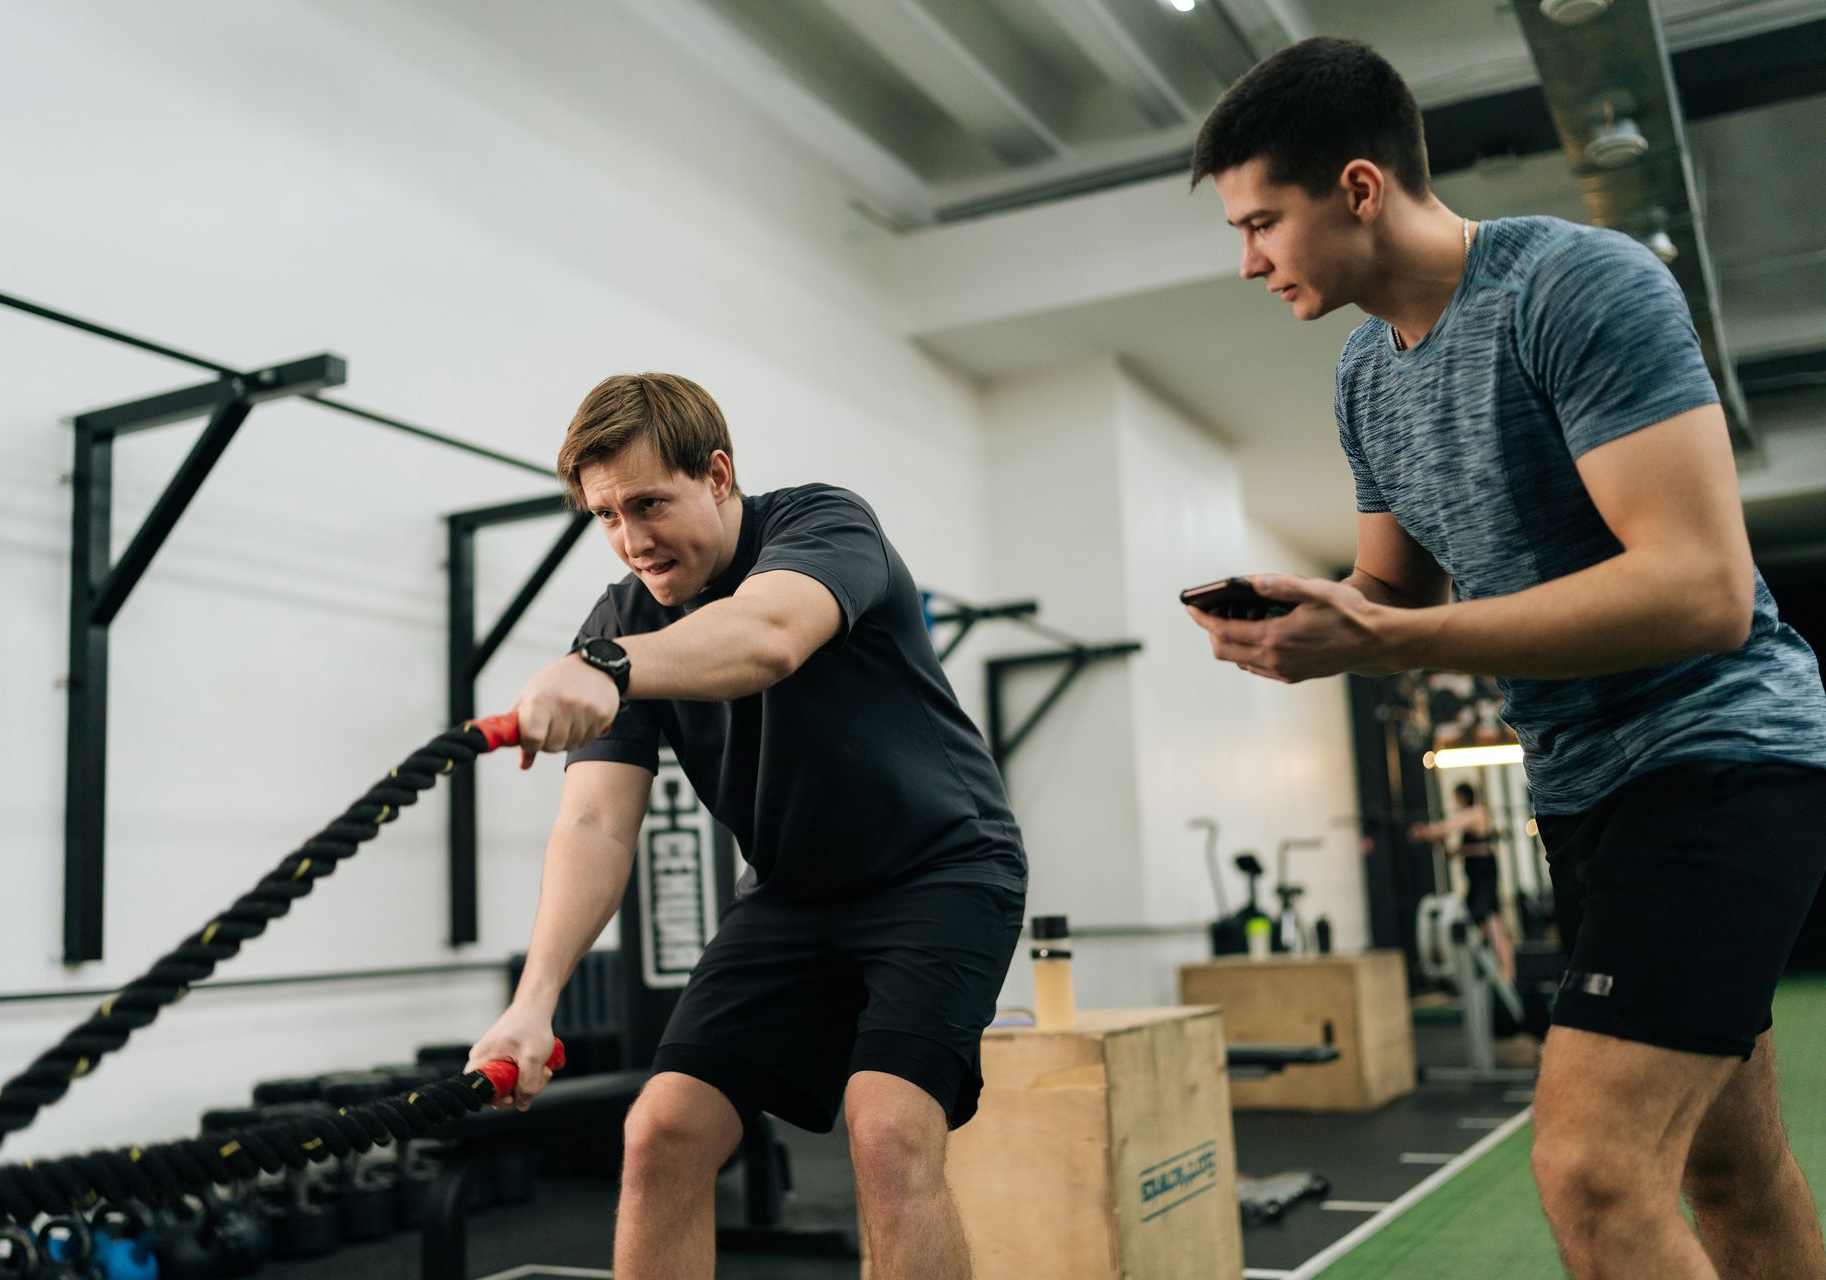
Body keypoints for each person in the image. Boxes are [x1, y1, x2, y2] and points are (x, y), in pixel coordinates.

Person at [1183, 36, 1826, 1280]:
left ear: (1359, 188)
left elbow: (1702, 591)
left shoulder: (1576, 286)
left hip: (1721, 754)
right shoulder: (1365, 373)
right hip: (1583, 788)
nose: (1250, 259)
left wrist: (1386, 634)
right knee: (1730, 1169)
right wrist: (1313, 619)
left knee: (1590, 1169)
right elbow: (1391, 589)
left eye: (1264, 222)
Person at [468, 372, 1027, 1279]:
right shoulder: (624, 621)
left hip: (940, 872)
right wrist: (534, 1005)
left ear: (718, 475)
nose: (631, 540)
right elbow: (598, 827)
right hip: (789, 896)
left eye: (649, 503)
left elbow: (766, 637)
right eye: (605, 516)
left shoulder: (822, 524)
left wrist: (606, 667)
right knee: (660, 1132)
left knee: (887, 1130)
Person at [1410, 781, 1515, 985]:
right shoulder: (1468, 818)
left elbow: (1448, 827)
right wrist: (1434, 840)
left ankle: (1507, 975)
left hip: (1484, 874)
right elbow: (1453, 852)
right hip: (1475, 876)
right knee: (1480, 921)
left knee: (1490, 919)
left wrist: (1425, 831)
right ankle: (1486, 973)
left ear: (1463, 797)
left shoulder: (1476, 813)